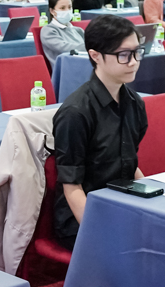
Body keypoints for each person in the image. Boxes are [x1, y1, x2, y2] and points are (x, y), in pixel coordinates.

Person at [51, 16, 148, 249]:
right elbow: (72, 186)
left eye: (137, 52)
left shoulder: (135, 103)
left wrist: (152, 198)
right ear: (95, 56)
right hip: (83, 217)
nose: (133, 62)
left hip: (122, 204)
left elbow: (130, 162)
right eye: (124, 55)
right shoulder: (76, 112)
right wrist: (98, 233)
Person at [41, 0, 85, 68]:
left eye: (69, 7)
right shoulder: (48, 30)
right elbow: (64, 48)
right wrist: (90, 47)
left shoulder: (78, 30)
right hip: (66, 68)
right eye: (62, 8)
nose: (67, 11)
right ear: (52, 11)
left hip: (85, 63)